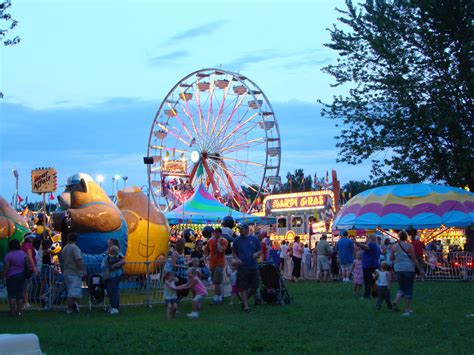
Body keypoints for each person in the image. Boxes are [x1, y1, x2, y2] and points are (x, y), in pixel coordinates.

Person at [391, 230, 424, 316]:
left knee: (401, 286)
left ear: (399, 237)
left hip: (398, 268)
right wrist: (420, 269)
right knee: (409, 287)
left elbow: (391, 258)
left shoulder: (394, 246)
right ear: (406, 237)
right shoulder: (410, 246)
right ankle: (407, 309)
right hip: (409, 268)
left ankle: (397, 300)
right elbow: (414, 258)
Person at [232, 223, 261, 313]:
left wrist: (256, 254)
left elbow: (259, 250)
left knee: (254, 286)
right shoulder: (237, 240)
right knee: (243, 287)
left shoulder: (254, 239)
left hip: (253, 266)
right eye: (239, 229)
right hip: (242, 267)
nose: (240, 230)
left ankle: (244, 301)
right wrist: (237, 259)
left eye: (241, 229)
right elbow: (234, 253)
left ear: (247, 229)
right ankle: (246, 306)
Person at [62, 232, 86, 314]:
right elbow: (78, 260)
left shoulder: (65, 248)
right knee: (73, 293)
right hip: (74, 272)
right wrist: (83, 270)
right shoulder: (75, 248)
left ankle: (73, 306)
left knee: (71, 291)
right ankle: (69, 309)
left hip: (67, 271)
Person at [204, 226, 228, 305]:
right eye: (214, 233)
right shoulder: (210, 241)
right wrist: (207, 256)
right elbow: (206, 249)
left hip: (220, 263)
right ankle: (217, 297)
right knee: (215, 281)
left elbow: (221, 250)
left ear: (220, 234)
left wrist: (218, 242)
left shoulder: (224, 241)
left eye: (217, 233)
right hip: (212, 264)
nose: (215, 235)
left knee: (217, 281)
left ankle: (217, 297)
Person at [3, 239, 27, 316]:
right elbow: (25, 263)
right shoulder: (23, 254)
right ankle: (19, 311)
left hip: (11, 276)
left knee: (12, 294)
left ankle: (12, 311)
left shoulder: (8, 255)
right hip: (21, 275)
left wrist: (3, 275)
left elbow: (6, 267)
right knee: (19, 294)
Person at [101, 245, 125, 315]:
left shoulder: (116, 257)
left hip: (112, 276)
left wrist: (114, 266)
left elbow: (123, 261)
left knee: (113, 291)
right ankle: (113, 307)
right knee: (111, 291)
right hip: (109, 276)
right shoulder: (109, 256)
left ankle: (114, 308)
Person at [355, 235, 380, 299]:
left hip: (369, 266)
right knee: (373, 281)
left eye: (367, 238)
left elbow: (366, 248)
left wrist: (358, 243)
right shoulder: (376, 245)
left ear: (370, 239)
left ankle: (367, 295)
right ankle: (374, 294)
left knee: (367, 281)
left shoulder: (372, 244)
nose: (366, 240)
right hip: (374, 265)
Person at [21, 234, 38, 309]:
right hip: (28, 268)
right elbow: (30, 257)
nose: (33, 239)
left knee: (26, 285)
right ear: (29, 238)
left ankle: (24, 302)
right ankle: (26, 302)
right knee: (26, 286)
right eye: (32, 238)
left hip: (26, 267)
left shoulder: (24, 245)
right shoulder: (28, 245)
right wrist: (34, 268)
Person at [171, 238, 189, 302]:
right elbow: (173, 264)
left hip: (183, 274)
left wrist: (188, 263)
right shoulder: (175, 253)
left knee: (186, 290)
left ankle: (176, 302)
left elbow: (182, 263)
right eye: (184, 243)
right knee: (180, 291)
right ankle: (175, 304)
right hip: (178, 275)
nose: (185, 245)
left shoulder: (181, 253)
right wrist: (182, 266)